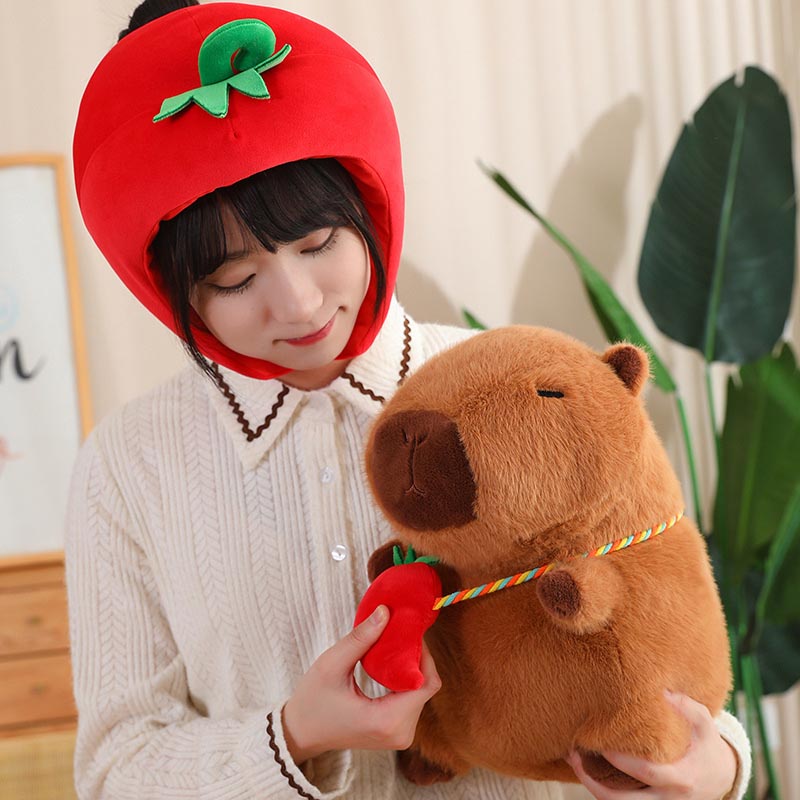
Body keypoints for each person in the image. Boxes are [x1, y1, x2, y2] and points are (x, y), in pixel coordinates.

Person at [67, 2, 751, 798]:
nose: (297, 303)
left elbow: (668, 608)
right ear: (174, 290)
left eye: (319, 244)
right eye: (236, 279)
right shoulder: (129, 465)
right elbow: (115, 769)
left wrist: (720, 766)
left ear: (370, 208)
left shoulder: (527, 379)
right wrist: (294, 736)